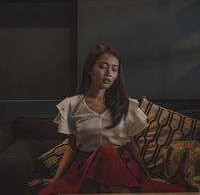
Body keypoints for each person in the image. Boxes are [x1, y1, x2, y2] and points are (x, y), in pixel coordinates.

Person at [28, 43, 188, 194]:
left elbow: (132, 147)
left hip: (121, 167)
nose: (109, 73)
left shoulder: (126, 106)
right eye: (103, 67)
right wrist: (55, 179)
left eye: (114, 69)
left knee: (107, 151)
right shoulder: (71, 106)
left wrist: (147, 176)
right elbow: (72, 148)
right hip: (86, 167)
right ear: (89, 70)